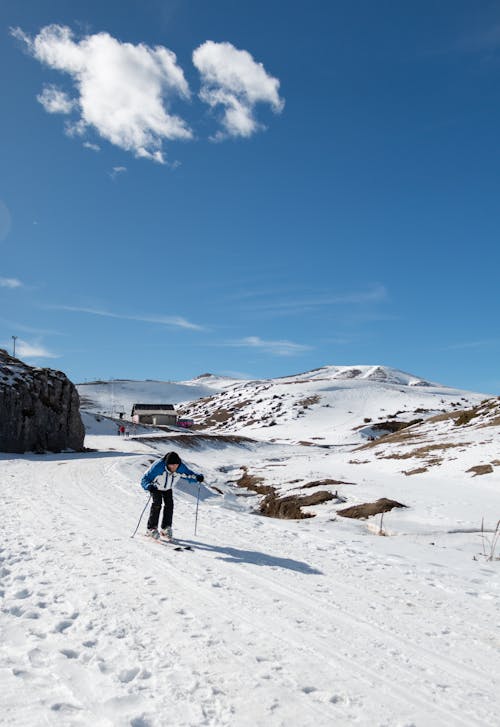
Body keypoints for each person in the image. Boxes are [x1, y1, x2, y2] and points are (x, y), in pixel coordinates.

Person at [140, 451, 204, 540]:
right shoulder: (158, 467)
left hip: (168, 488)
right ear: (166, 464)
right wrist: (148, 486)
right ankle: (151, 528)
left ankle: (165, 528)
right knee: (157, 504)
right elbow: (145, 479)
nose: (174, 467)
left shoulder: (180, 467)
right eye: (171, 465)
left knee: (169, 505)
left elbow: (189, 474)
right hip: (155, 487)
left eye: (176, 465)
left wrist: (198, 477)